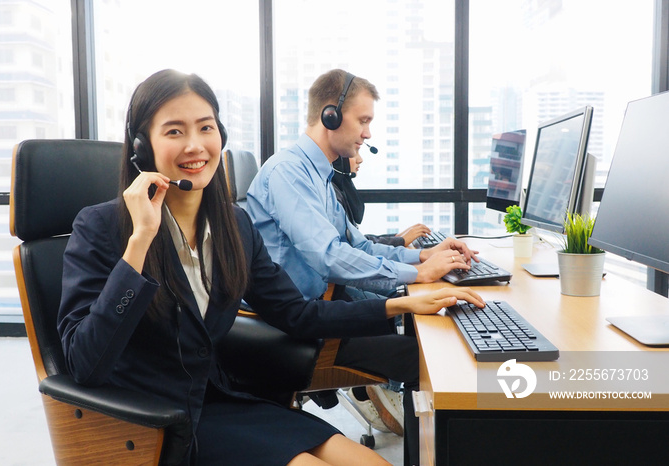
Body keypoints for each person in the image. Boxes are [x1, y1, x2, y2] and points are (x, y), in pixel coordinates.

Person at [56, 69, 484, 466]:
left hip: (223, 400)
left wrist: (404, 304)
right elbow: (85, 362)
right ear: (141, 146)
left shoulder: (233, 226)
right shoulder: (102, 228)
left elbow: (297, 313)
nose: (194, 145)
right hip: (153, 419)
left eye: (205, 127)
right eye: (174, 131)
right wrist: (140, 243)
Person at [246, 69, 480, 465]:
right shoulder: (289, 173)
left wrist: (422, 257)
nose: (368, 134)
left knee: (436, 334)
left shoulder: (319, 177)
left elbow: (357, 244)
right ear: (330, 116)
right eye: (364, 120)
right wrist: (416, 276)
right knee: (432, 357)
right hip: (301, 327)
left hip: (327, 309)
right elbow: (329, 257)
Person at [331, 155, 431, 247]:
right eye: (354, 152)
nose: (360, 159)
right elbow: (354, 246)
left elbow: (358, 240)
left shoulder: (340, 188)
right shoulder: (333, 194)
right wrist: (401, 240)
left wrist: (397, 237)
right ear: (338, 160)